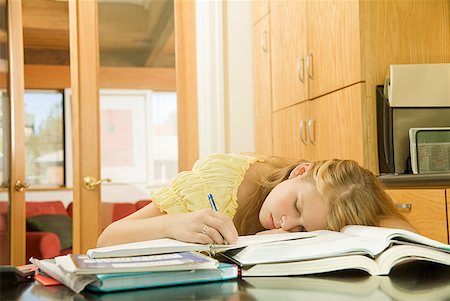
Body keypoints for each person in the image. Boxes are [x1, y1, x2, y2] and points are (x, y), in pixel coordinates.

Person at [97, 153, 416, 247]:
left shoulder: (328, 204)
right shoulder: (221, 180)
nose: (286, 224)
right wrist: (176, 223)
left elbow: (394, 228)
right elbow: (106, 240)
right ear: (299, 172)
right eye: (296, 206)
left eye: (302, 230)